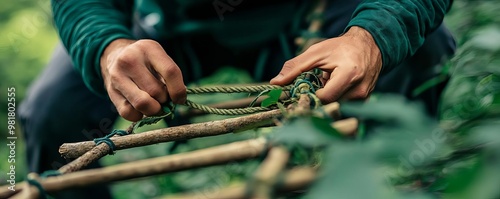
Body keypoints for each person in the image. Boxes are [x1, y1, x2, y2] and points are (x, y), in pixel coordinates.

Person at [18, 0, 455, 198]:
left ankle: (394, 183)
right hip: (165, 23)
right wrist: (107, 48)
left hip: (308, 13)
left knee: (422, 50)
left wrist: (371, 37)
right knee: (52, 110)